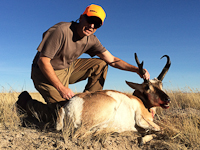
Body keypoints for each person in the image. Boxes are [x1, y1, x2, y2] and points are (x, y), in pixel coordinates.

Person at [17, 4, 150, 129]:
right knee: (63, 117)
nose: (91, 26)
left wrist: (136, 70)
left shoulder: (91, 39)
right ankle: (26, 103)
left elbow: (112, 60)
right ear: (81, 17)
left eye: (97, 24)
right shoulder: (61, 31)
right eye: (90, 20)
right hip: (44, 72)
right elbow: (43, 61)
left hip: (68, 67)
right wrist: (62, 88)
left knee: (101, 64)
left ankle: (89, 104)